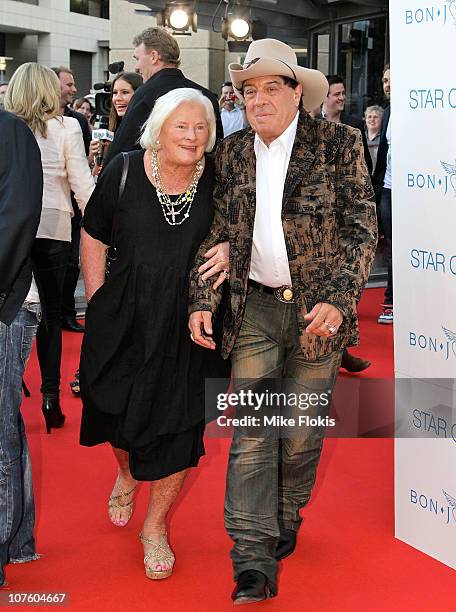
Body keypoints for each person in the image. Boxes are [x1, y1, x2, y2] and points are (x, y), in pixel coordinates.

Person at [189, 39, 377, 604]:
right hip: (254, 310)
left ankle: (285, 512)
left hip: (318, 315)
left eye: (273, 87)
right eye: (250, 89)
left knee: (297, 436)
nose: (259, 98)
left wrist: (341, 301)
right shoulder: (231, 153)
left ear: (298, 92)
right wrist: (203, 293)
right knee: (251, 435)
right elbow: (217, 233)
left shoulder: (339, 144)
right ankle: (251, 556)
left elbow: (362, 231)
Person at [79, 88, 230, 581]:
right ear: (158, 129)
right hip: (123, 311)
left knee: (180, 426)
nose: (191, 136)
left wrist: (230, 246)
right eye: (181, 126)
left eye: (200, 127)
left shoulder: (219, 181)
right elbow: (94, 234)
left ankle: (155, 526)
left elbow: (243, 228)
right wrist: (99, 299)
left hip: (191, 319)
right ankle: (125, 471)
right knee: (111, 405)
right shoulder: (124, 169)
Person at [5, 63, 95, 432]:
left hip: (12, 230)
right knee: (52, 318)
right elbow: (82, 183)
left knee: (9, 308)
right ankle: (50, 398)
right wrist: (103, 225)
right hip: (53, 228)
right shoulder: (66, 127)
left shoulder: (6, 129)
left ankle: (13, 384)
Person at [0, 110, 43, 587]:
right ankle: (18, 540)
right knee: (5, 421)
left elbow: (15, 217)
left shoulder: (9, 132)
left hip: (5, 300)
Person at [103, 26, 223, 166]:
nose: (136, 67)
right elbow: (217, 150)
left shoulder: (145, 94)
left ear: (154, 56)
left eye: (137, 59)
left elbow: (121, 150)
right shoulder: (206, 96)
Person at [52, 66, 93, 334]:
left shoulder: (77, 121)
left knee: (71, 265)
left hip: (75, 206)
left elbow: (83, 168)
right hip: (53, 209)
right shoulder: (31, 121)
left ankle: (66, 312)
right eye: (68, 84)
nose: (73, 89)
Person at [90, 72, 143, 177]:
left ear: (139, 94)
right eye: (114, 93)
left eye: (125, 92)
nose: (117, 98)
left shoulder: (144, 132)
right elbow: (96, 176)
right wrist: (98, 157)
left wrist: (115, 149)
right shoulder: (111, 127)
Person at [372, 65, 392, 324]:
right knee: (391, 247)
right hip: (389, 189)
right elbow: (385, 155)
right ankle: (391, 300)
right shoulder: (387, 112)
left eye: (392, 80)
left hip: (415, 191)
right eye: (385, 80)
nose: (387, 84)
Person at [322, 75, 372, 175]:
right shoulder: (312, 122)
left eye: (343, 93)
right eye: (337, 94)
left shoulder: (355, 124)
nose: (342, 98)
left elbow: (366, 162)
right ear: (324, 97)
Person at [364, 105, 383, 174]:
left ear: (381, 120)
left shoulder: (384, 138)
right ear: (365, 120)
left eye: (375, 117)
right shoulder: (360, 136)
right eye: (369, 117)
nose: (372, 119)